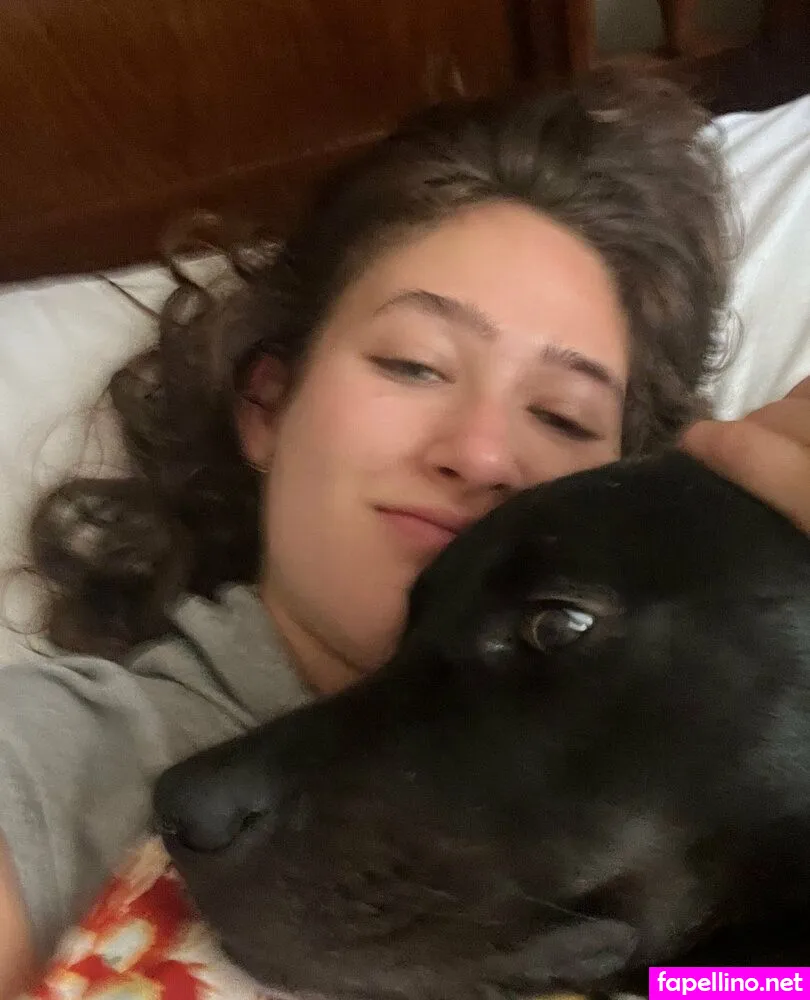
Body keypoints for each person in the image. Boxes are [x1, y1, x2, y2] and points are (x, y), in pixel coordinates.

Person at [0, 72, 809, 998]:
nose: (481, 452)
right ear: (268, 405)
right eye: (414, 364)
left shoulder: (688, 862)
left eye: (564, 415)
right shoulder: (47, 761)